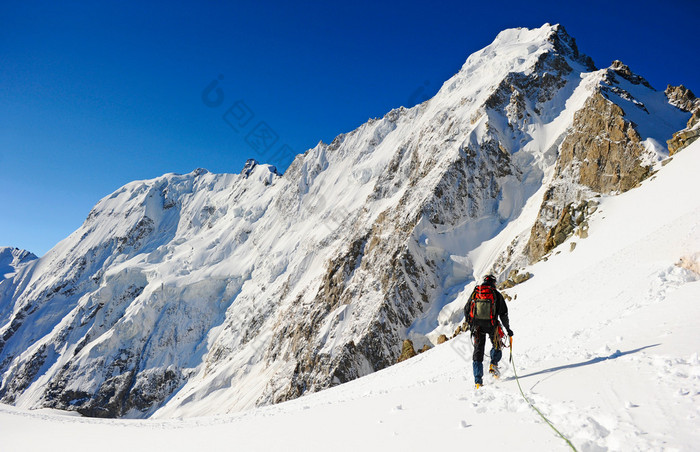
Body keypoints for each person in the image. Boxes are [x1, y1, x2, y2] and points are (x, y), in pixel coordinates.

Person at [464, 274, 513, 388]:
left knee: (478, 352)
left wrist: (471, 324)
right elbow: (503, 314)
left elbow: (466, 309)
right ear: (493, 283)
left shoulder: (476, 293)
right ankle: (493, 365)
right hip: (492, 326)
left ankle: (478, 381)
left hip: (477, 328)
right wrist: (508, 329)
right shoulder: (495, 294)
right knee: (497, 345)